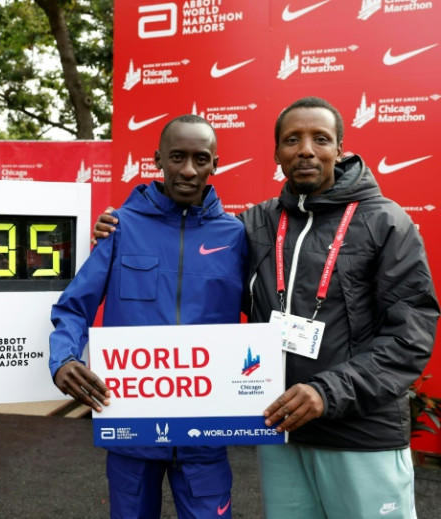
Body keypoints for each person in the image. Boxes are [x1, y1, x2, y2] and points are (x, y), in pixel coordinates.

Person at [94, 96, 440, 518]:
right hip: (281, 432)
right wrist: (125, 224)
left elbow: (411, 334)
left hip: (360, 434)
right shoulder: (255, 224)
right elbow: (186, 250)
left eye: (320, 139)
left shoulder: (386, 222)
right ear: (277, 153)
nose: (306, 149)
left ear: (340, 148)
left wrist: (326, 391)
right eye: (293, 139)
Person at [50, 114, 247, 519]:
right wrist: (63, 360)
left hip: (204, 432)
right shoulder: (120, 228)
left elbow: (270, 310)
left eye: (201, 158)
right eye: (177, 157)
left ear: (216, 164)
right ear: (157, 158)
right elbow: (73, 306)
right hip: (132, 429)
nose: (189, 170)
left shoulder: (236, 235)